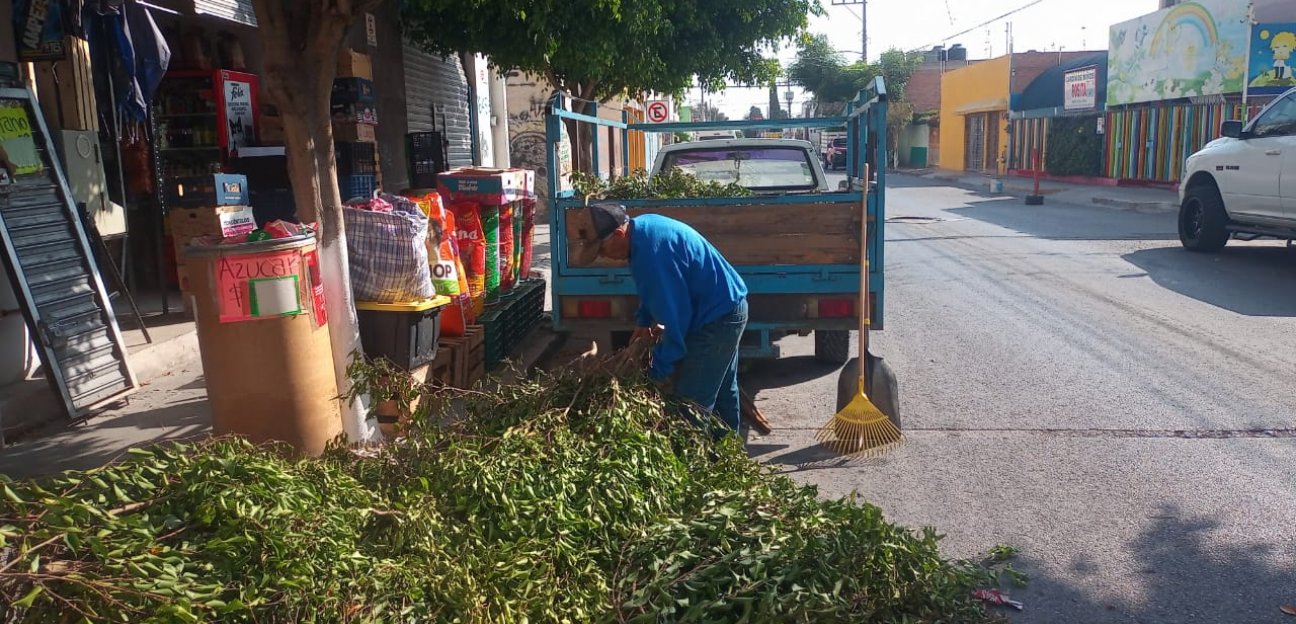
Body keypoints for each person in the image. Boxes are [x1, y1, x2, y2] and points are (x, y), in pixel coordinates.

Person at [574, 203, 749, 433]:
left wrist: (655, 371)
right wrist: (643, 321)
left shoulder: (651, 253)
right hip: (728, 305)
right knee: (724, 392)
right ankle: (727, 459)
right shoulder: (642, 232)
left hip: (717, 318)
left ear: (618, 233)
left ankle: (694, 466)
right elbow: (655, 291)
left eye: (602, 249)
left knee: (690, 404)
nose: (603, 256)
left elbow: (675, 324)